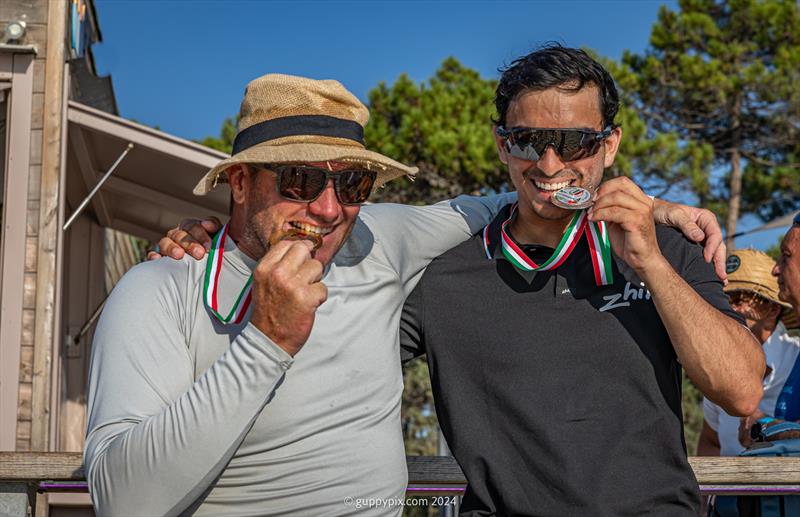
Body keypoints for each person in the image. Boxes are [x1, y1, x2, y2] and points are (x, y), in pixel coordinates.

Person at [133, 72, 728, 516]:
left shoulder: (384, 233)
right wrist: (218, 253)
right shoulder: (421, 267)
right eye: (299, 179)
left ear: (609, 144)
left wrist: (652, 222)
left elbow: (744, 393)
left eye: (352, 181)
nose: (327, 205)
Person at [396, 45, 764, 515]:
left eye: (574, 142)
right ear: (501, 143)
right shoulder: (443, 278)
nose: (549, 164)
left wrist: (649, 262)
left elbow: (742, 392)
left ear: (610, 145)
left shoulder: (668, 248)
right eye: (528, 140)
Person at [697, 249, 799, 457]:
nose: (726, 309)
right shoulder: (718, 367)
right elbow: (710, 442)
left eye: (739, 298)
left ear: (772, 310)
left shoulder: (797, 358)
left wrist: (765, 427)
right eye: (722, 299)